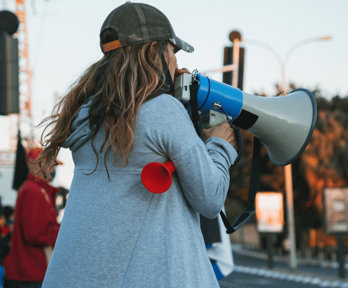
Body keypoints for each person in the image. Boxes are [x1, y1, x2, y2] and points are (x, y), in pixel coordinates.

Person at [39, 2, 237, 288]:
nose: (176, 63)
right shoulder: (162, 111)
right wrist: (220, 145)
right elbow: (210, 199)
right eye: (172, 51)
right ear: (153, 52)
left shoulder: (84, 115)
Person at [3, 147, 60, 288]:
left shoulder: (36, 189)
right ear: (36, 164)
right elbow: (34, 233)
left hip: (31, 273)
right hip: (30, 274)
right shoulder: (33, 191)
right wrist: (63, 232)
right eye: (50, 164)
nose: (53, 168)